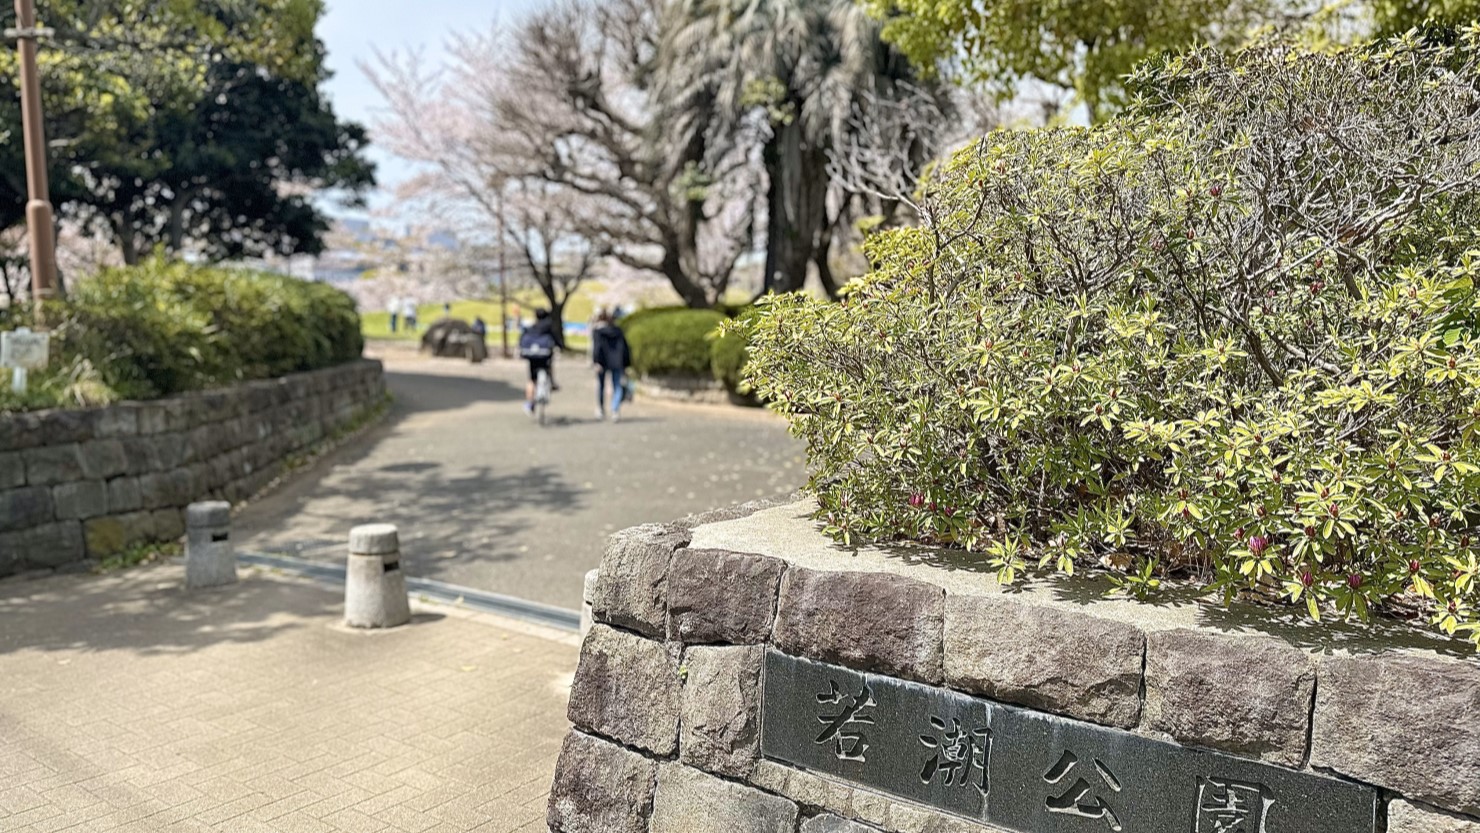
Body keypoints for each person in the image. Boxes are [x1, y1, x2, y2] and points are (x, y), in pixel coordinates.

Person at [591, 310, 631, 422]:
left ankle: (600, 409)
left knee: (601, 386)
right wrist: (626, 363)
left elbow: (597, 347)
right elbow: (625, 348)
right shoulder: (619, 332)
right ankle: (615, 410)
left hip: (602, 361)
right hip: (617, 361)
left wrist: (596, 361)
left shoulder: (598, 332)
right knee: (617, 386)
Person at [519, 309, 560, 416]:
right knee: (549, 367)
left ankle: (529, 402)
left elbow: (522, 339)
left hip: (532, 355)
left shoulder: (531, 327)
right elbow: (556, 339)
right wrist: (560, 345)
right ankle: (552, 383)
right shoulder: (548, 327)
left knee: (531, 380)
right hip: (545, 355)